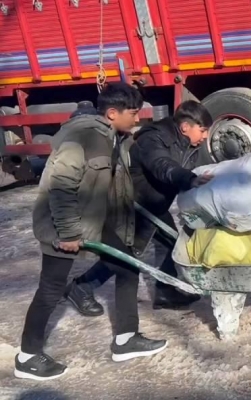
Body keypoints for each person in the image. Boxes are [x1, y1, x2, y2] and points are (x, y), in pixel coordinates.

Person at [17, 82, 167, 381]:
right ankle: (27, 357)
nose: (137, 119)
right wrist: (68, 233)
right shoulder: (82, 137)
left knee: (127, 266)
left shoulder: (114, 137)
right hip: (61, 225)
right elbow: (61, 187)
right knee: (51, 289)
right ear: (112, 113)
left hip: (94, 221)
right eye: (133, 113)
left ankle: (126, 339)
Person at [65, 100, 214, 315]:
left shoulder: (190, 145)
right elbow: (162, 165)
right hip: (131, 203)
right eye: (203, 130)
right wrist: (188, 178)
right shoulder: (153, 139)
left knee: (171, 243)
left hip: (154, 204)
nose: (206, 136)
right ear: (185, 127)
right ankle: (81, 287)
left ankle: (165, 292)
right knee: (125, 255)